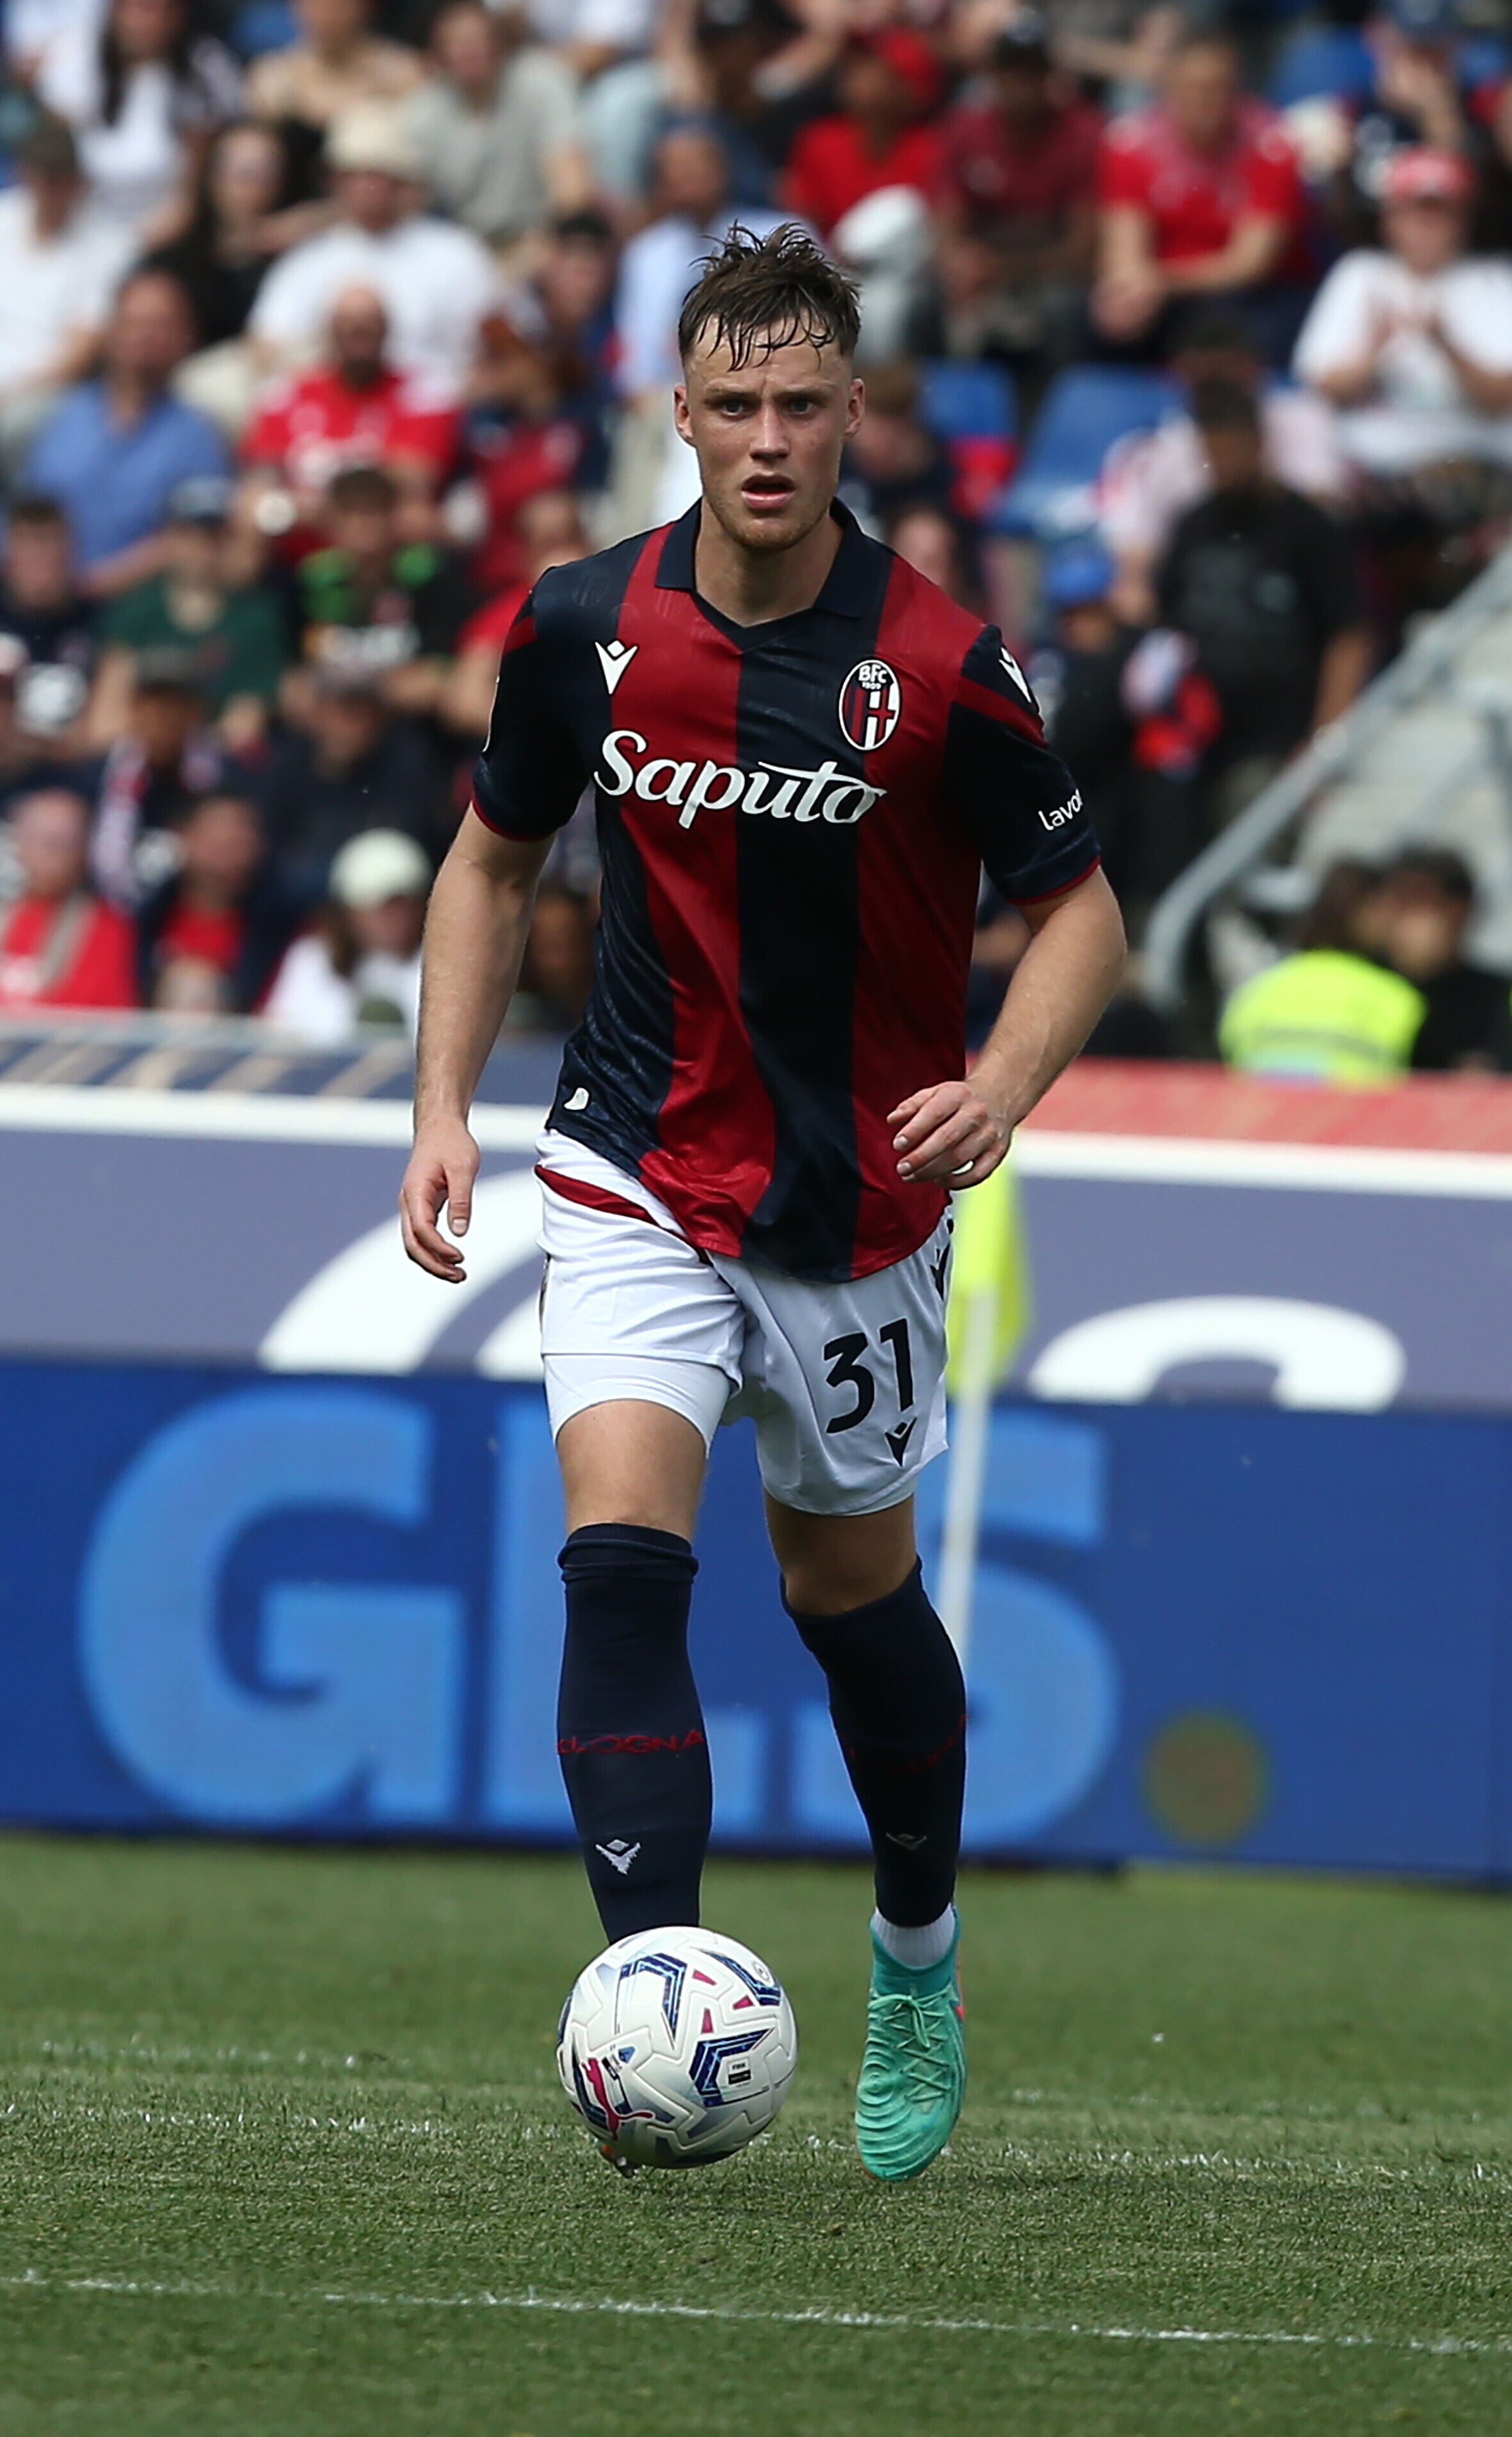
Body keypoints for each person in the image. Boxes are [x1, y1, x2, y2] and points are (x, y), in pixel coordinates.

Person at [399, 226, 1123, 2183]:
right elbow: (489, 861)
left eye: (804, 401)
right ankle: (653, 1995)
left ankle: (916, 1955)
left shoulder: (941, 664)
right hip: (632, 1156)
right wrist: (442, 1108)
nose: (770, 436)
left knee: (843, 1592)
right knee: (622, 1557)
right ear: (682, 412)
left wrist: (999, 1083)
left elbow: (1082, 913)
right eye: (735, 402)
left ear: (854, 411)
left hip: (854, 1204)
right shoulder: (582, 624)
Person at [1154, 381, 1370, 789]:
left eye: (1230, 451)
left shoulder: (1307, 527)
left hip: (1280, 735)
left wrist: (1325, 740)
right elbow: (1162, 621)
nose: (1222, 466)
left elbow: (1348, 637)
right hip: (1202, 733)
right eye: (1212, 454)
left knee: (1251, 795)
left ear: (1258, 442)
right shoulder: (1193, 526)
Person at [1098, 310, 1348, 622]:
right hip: (1205, 589)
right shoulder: (1161, 449)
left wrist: (1248, 485)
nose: (1213, 388)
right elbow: (1137, 555)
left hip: (1290, 584)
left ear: (1252, 367)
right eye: (1200, 378)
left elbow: (1324, 516)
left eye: (1222, 373)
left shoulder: (1302, 416)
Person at [248, 102, 509, 390]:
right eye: (354, 175)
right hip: (335, 407)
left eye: (377, 175)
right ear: (336, 181)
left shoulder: (457, 254)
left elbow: (501, 345)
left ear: (402, 180)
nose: (366, 187)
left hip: (433, 405)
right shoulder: (308, 261)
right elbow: (267, 346)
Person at [1292, 146, 1512, 479]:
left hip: (1477, 460)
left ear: (1465, 220)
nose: (1426, 226)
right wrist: (1377, 347)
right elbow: (1323, 386)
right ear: (1389, 219)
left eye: (1440, 214)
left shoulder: (1493, 279)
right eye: (1414, 213)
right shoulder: (1360, 273)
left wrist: (1447, 345)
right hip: (1379, 469)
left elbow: (1501, 397)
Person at [1093, 32, 1308, 360]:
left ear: (1237, 90)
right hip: (1162, 295)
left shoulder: (1273, 145)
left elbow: (1249, 264)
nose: (1205, 100)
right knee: (1094, 319)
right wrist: (1127, 295)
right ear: (1167, 89)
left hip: (1252, 295)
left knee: (1231, 326)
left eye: (1217, 88)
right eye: (1193, 88)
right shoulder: (1129, 143)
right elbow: (1124, 251)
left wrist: (1158, 282)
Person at [23, 268, 229, 595]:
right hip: (38, 601)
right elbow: (26, 509)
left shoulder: (198, 438)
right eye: (133, 323)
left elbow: (191, 538)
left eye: (159, 325)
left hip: (137, 608)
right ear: (111, 331)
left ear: (185, 338)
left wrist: (95, 584)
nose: (144, 336)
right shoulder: (61, 416)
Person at [926, 16, 1100, 374]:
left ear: (1049, 77)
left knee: (1064, 307)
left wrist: (1001, 269)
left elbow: (1083, 250)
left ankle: (1053, 403)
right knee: (926, 302)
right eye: (1012, 73)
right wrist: (958, 262)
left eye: (1032, 73)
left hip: (1051, 271)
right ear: (993, 76)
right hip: (982, 265)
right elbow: (946, 225)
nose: (1023, 85)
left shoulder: (1082, 133)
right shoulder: (965, 129)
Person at [93, 475, 287, 752]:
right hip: (139, 758)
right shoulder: (137, 611)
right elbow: (106, 719)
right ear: (169, 538)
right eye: (188, 533)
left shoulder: (256, 618)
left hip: (216, 764)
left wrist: (188, 753)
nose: (201, 545)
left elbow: (245, 723)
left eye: (213, 533)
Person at [241, 284, 461, 528]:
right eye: (347, 323)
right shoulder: (286, 396)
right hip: (301, 531)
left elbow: (416, 478)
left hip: (383, 529)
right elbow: (261, 477)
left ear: (386, 329)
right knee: (253, 510)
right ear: (328, 330)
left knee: (416, 516)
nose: (357, 331)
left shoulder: (421, 395)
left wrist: (321, 500)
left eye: (368, 324)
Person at [284, 462, 474, 727]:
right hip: (333, 723)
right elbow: (296, 680)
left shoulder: (428, 576)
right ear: (332, 522)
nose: (362, 525)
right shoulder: (313, 582)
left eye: (372, 512)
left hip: (410, 727)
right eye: (350, 513)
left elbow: (439, 674)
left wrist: (369, 689)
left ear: (393, 516)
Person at [35, 0, 243, 239]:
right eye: (145, 9)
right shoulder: (75, 55)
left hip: (168, 227)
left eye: (167, 11)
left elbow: (194, 187)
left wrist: (170, 223)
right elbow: (55, 153)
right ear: (117, 10)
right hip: (83, 217)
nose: (156, 22)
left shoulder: (206, 67)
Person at [0, 115, 136, 476]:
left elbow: (78, 355)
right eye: (40, 174)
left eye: (58, 176)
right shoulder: (4, 216)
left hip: (46, 390)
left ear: (78, 180)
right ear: (23, 173)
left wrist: (8, 394)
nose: (48, 187)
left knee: (13, 429)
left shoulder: (110, 248)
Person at [405, 0, 592, 252]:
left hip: (542, 241)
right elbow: (410, 204)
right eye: (456, 42)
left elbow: (573, 196)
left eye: (477, 39)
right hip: (466, 250)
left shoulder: (543, 82)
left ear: (499, 40)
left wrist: (536, 252)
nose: (469, 51)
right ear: (438, 52)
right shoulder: (424, 111)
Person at [134, 786, 298, 1011]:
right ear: (185, 836)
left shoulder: (284, 929)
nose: (235, 839)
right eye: (219, 829)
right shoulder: (141, 924)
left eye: (244, 830)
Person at [265, 823, 431, 1039]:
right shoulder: (311, 960)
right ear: (349, 910)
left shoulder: (440, 965)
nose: (394, 917)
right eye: (381, 907)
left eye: (403, 904)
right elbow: (275, 1036)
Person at [780, 27, 943, 243]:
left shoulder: (932, 149)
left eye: (872, 67)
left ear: (909, 90)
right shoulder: (819, 140)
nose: (855, 72)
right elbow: (800, 217)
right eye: (856, 64)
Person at [0, 786, 138, 1010]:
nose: (50, 853)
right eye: (39, 838)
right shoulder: (7, 912)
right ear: (17, 844)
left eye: (62, 841)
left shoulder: (108, 926)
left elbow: (111, 1018)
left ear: (84, 849)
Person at [246, 0, 423, 154]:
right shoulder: (272, 77)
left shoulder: (402, 73)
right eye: (315, 3)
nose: (327, 12)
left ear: (367, 6)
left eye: (339, 3)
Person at [0, 494, 100, 759]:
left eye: (48, 543)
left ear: (70, 551)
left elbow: (102, 727)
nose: (39, 559)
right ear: (10, 553)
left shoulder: (97, 622)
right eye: (27, 543)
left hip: (71, 771)